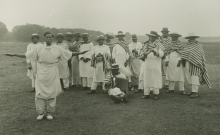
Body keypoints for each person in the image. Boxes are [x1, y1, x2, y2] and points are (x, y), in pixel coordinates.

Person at [5, 32, 87, 120]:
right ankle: (41, 112)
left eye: (50, 37)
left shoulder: (57, 48)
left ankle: (49, 112)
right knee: (40, 92)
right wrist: (14, 54)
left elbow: (68, 53)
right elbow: (27, 55)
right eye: (47, 37)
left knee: (51, 92)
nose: (49, 39)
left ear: (52, 38)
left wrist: (80, 53)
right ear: (44, 38)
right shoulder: (39, 48)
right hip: (41, 72)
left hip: (53, 72)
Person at [178, 33, 211, 98]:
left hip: (196, 64)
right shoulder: (187, 45)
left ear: (195, 38)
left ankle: (195, 92)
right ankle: (193, 91)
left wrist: (194, 59)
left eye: (192, 38)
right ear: (188, 39)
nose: (191, 39)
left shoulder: (198, 45)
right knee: (190, 76)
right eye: (190, 38)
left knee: (194, 77)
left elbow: (199, 55)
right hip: (188, 62)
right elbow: (184, 53)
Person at [141, 31, 164, 100]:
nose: (151, 38)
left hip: (155, 63)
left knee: (155, 77)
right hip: (147, 63)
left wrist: (154, 51)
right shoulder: (146, 44)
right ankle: (146, 93)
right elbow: (142, 53)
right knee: (147, 77)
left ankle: (156, 93)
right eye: (150, 36)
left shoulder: (159, 44)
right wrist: (143, 55)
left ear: (155, 37)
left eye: (153, 36)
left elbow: (162, 53)